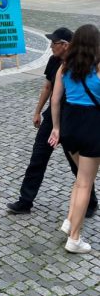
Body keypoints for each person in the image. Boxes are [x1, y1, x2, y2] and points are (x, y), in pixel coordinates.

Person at [7, 27, 98, 216]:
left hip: (72, 121)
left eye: (54, 43)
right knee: (38, 157)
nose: (51, 47)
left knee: (78, 165)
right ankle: (25, 201)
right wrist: (37, 111)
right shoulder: (54, 61)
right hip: (52, 118)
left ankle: (90, 202)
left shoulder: (81, 62)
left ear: (65, 45)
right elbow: (48, 87)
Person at [48, 24, 100, 253]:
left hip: (69, 126)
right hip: (92, 126)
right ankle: (75, 238)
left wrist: (56, 128)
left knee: (80, 179)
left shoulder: (64, 67)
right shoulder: (98, 68)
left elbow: (55, 100)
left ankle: (70, 220)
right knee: (85, 183)